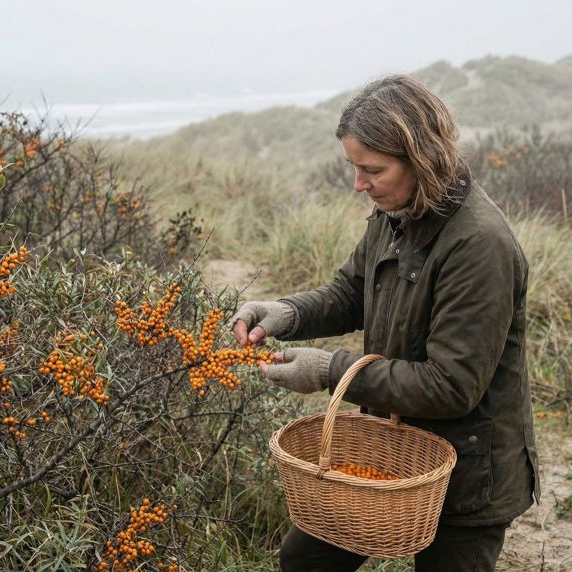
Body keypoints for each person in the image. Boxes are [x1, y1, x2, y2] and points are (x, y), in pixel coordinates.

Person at [231, 75, 540, 572]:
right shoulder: (397, 209)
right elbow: (353, 290)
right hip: (391, 445)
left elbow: (451, 386)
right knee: (303, 561)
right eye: (354, 167)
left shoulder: (479, 245)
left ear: (422, 160)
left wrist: (330, 371)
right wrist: (288, 313)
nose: (359, 184)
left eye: (372, 169)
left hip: (469, 472)